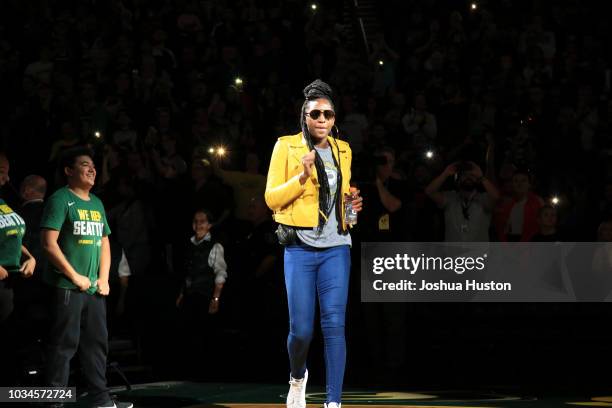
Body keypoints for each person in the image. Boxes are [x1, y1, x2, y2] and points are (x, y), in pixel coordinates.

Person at [265, 79, 363, 408]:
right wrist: (302, 178)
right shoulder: (286, 146)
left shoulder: (343, 149)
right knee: (302, 330)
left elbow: (345, 196)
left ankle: (333, 402)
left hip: (337, 245)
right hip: (300, 247)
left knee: (335, 324)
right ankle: (297, 377)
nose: (322, 119)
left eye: (328, 114)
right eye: (316, 113)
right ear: (305, 117)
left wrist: (353, 208)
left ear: (335, 119)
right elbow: (271, 199)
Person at [40, 146, 132, 408]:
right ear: (68, 171)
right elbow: (48, 244)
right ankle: (54, 403)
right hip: (67, 288)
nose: (92, 169)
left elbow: (105, 243)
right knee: (63, 347)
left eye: (93, 165)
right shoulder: (60, 200)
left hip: (93, 290)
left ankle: (100, 399)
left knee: (96, 346)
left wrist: (103, 279)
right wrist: (75, 276)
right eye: (84, 165)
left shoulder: (97, 203)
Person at [175, 208, 227, 377]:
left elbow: (220, 273)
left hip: (205, 296)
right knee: (188, 335)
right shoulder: (189, 244)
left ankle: (206, 373)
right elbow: (188, 273)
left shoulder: (215, 246)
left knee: (204, 336)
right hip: (190, 296)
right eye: (196, 221)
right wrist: (182, 294)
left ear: (209, 225)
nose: (199, 225)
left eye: (203, 221)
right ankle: (190, 372)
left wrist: (216, 298)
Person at [425, 161, 500, 242]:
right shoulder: (450, 197)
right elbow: (429, 191)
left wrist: (481, 177)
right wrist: (445, 174)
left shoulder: (484, 198)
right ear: (458, 180)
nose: (468, 177)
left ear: (478, 180)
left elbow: (496, 197)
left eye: (472, 175)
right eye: (464, 175)